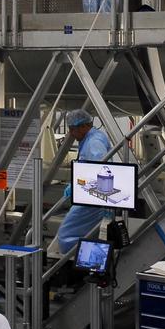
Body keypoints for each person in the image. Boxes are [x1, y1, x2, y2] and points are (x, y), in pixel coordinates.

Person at [55, 108, 112, 255]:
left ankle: (79, 263)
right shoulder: (90, 139)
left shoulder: (94, 142)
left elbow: (98, 170)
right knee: (89, 235)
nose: (71, 134)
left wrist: (78, 186)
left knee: (66, 235)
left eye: (73, 129)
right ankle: (90, 263)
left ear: (84, 126)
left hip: (92, 199)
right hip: (91, 197)